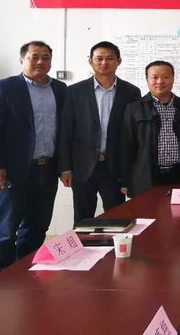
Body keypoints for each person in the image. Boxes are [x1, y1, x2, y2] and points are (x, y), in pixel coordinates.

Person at [0, 41, 67, 273]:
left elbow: (64, 130)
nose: (40, 62)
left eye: (46, 57)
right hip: (12, 170)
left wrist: (64, 166)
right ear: (22, 60)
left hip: (47, 168)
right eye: (34, 57)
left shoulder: (60, 89)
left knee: (37, 227)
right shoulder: (4, 88)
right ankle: (2, 278)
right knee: (5, 230)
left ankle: (25, 273)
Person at [57, 41, 140, 224]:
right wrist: (65, 168)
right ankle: (82, 243)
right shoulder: (74, 91)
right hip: (82, 166)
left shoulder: (131, 92)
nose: (104, 63)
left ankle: (112, 244)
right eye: (99, 58)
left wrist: (130, 172)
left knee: (116, 218)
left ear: (119, 61)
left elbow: (133, 135)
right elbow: (66, 131)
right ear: (90, 61)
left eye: (110, 58)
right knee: (82, 218)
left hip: (115, 167)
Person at [119, 60, 180, 196]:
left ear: (173, 79)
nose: (160, 81)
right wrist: (125, 181)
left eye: (165, 77)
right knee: (148, 209)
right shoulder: (134, 108)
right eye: (154, 77)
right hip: (146, 175)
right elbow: (126, 146)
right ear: (147, 80)